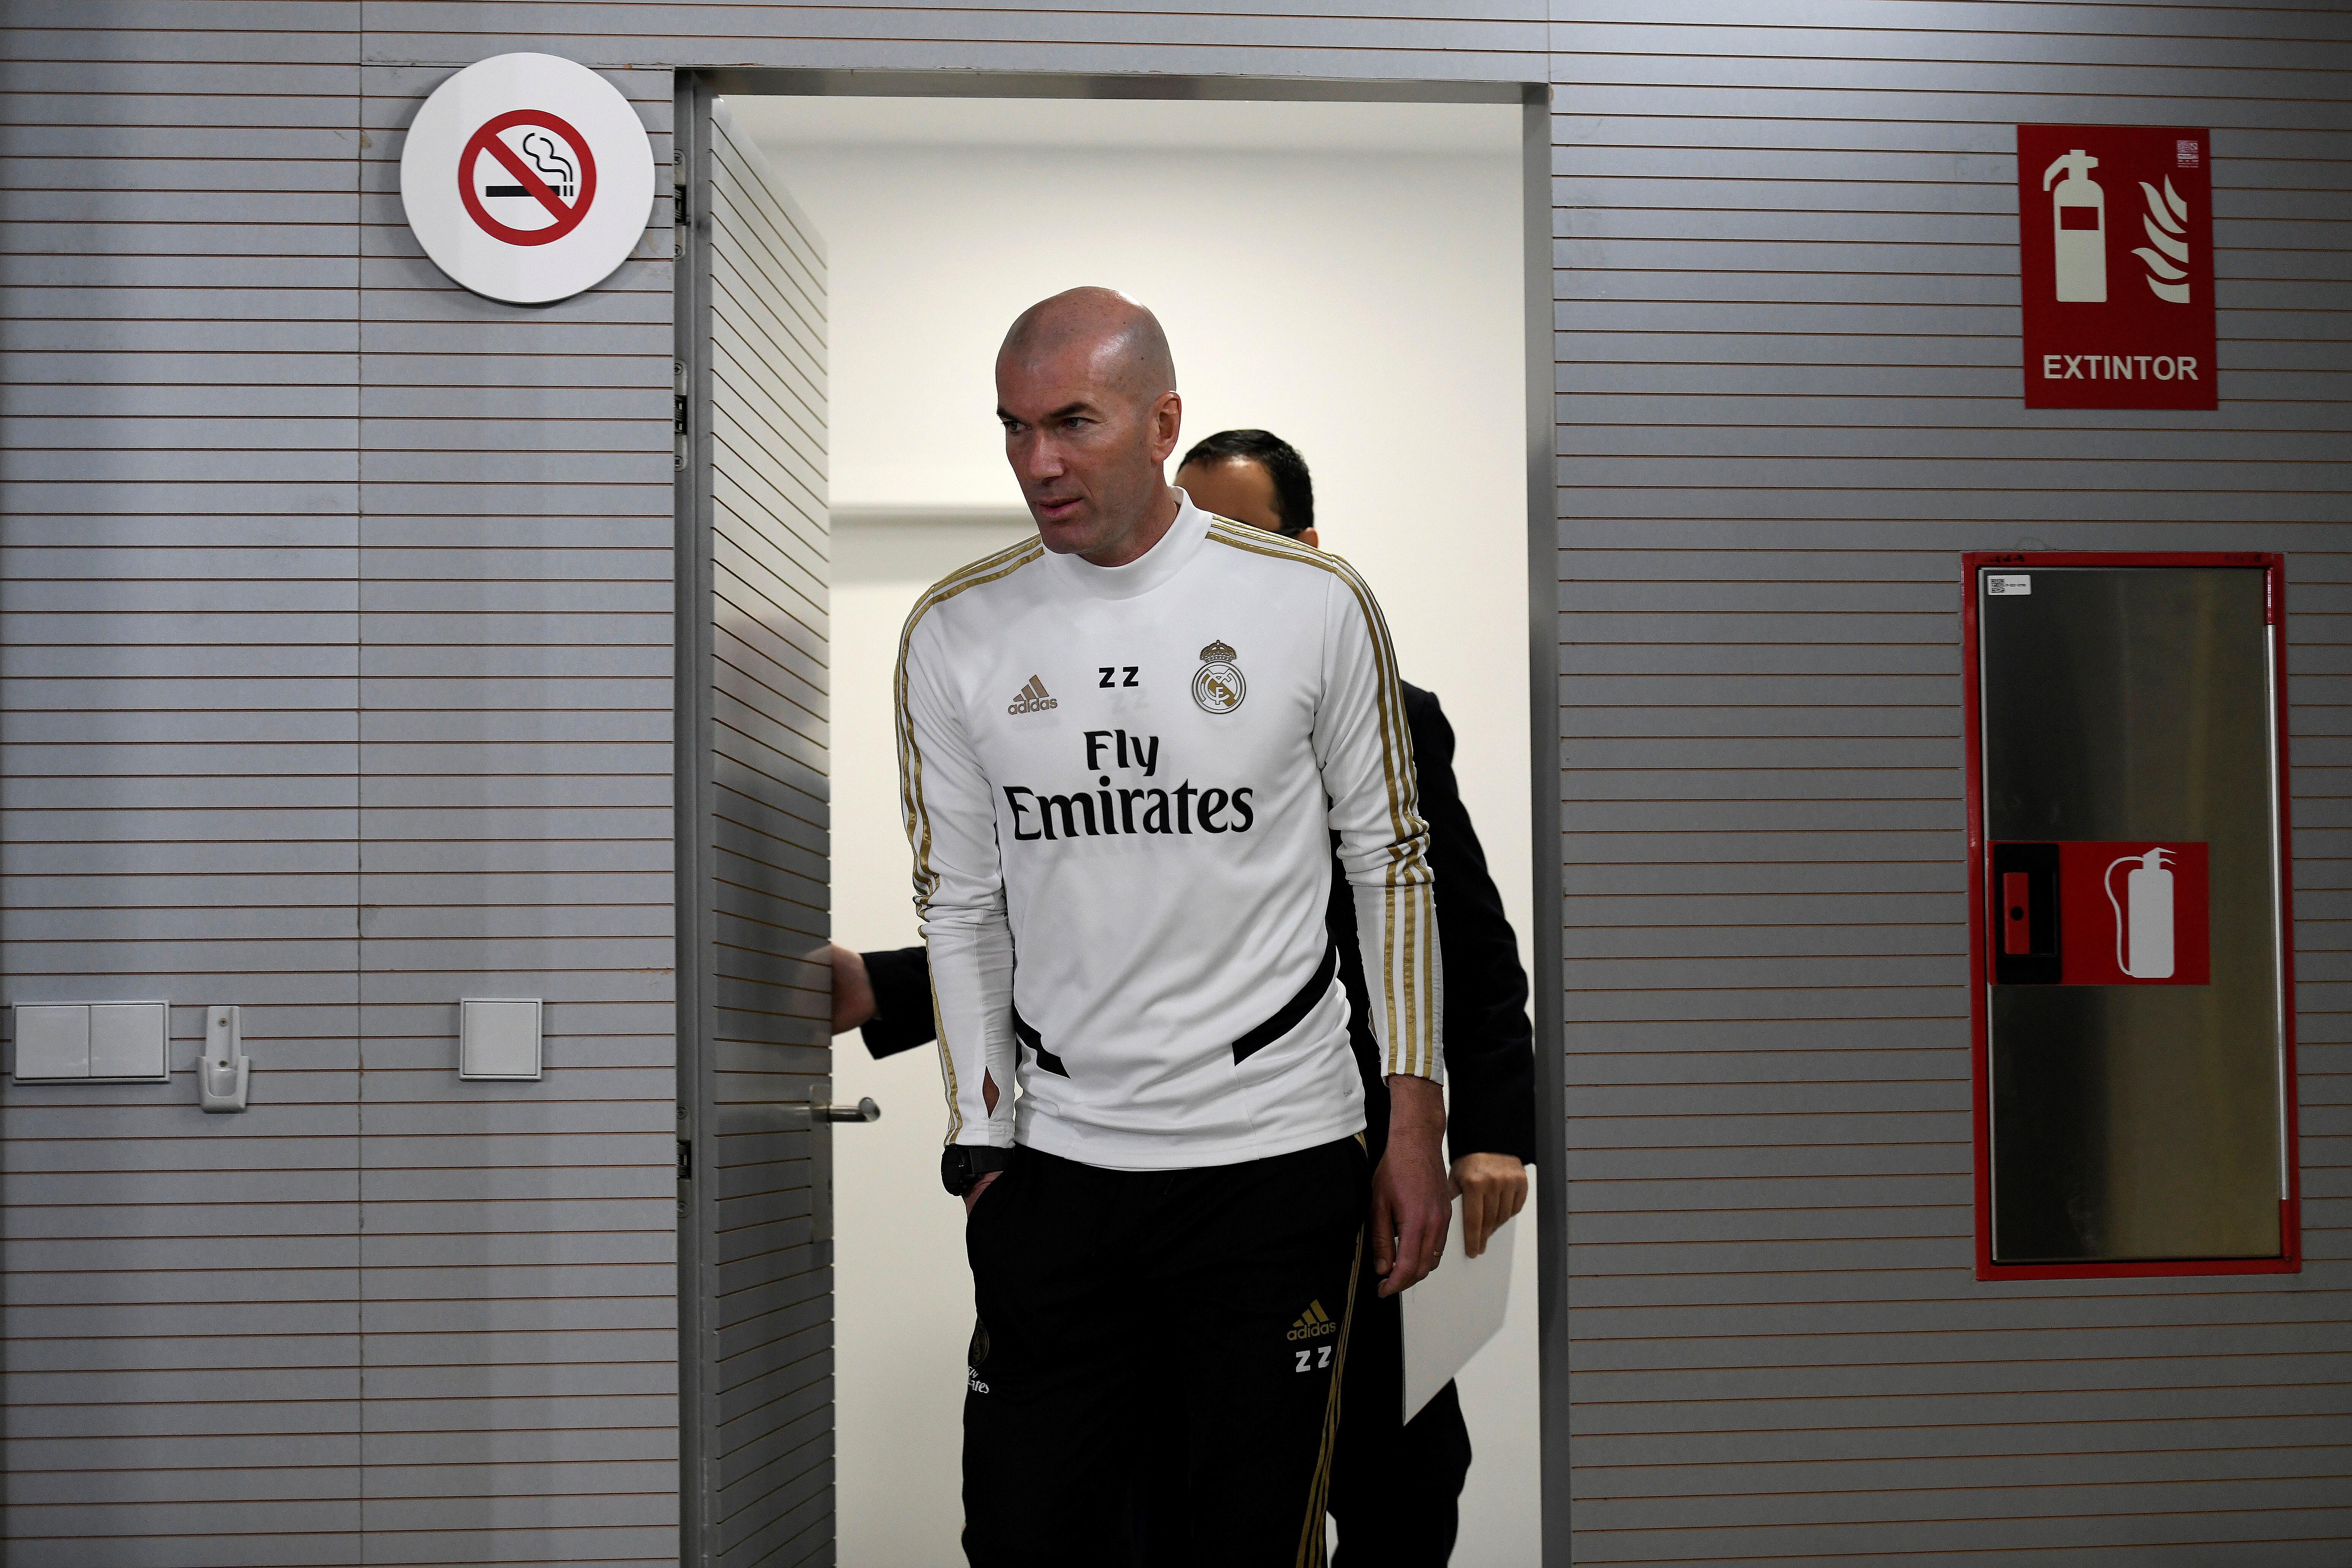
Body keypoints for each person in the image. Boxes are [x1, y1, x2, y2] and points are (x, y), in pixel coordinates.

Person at [834, 427, 1537, 1566]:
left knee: (1397, 1464)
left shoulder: (1383, 700)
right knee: (1164, 1486)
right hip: (1124, 1157)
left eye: (1240, 536)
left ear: (1304, 545)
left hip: (1336, 1134)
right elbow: (1096, 917)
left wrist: (1483, 1129)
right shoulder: (1059, 674)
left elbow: (1458, 925)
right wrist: (892, 996)